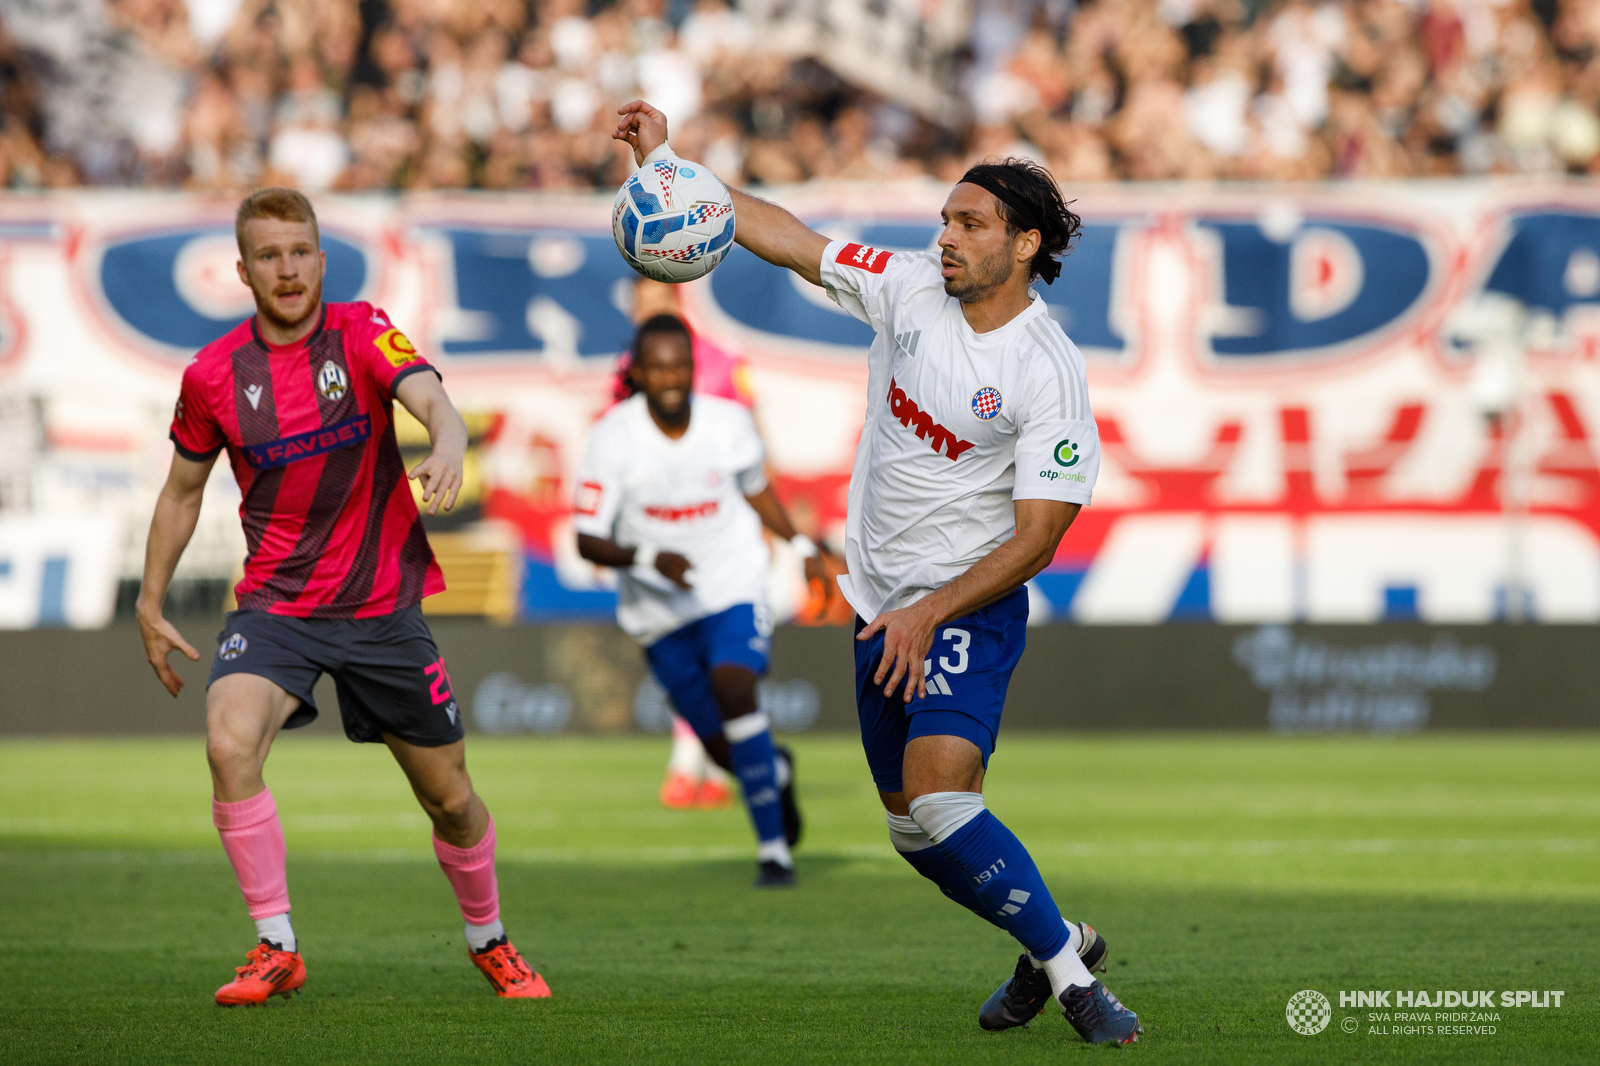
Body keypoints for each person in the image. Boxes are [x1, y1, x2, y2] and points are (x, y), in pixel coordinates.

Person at [612, 101, 1144, 1044]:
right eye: (944, 217)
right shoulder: (905, 287)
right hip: (877, 606)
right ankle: (1056, 938)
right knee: (913, 833)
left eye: (969, 224)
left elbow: (1039, 538)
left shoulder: (1046, 371)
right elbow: (785, 239)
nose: (944, 236)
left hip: (964, 608)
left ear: (1023, 245)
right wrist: (673, 172)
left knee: (944, 796)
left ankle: (1072, 985)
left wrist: (930, 613)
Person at [136, 187, 549, 1005]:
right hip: (276, 609)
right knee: (227, 743)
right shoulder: (213, 376)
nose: (287, 270)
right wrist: (151, 601)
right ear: (243, 270)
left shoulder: (359, 331)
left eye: (299, 253)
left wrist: (451, 439)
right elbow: (182, 492)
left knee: (452, 799)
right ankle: (275, 944)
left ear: (321, 260)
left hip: (382, 609)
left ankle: (490, 939)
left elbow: (428, 394)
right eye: (269, 256)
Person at [573, 312, 816, 887]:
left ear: (693, 368)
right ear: (638, 372)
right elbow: (587, 538)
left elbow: (757, 492)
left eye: (680, 365)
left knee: (736, 685)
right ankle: (775, 771)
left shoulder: (729, 425)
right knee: (722, 745)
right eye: (658, 368)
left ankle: (774, 853)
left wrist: (802, 544)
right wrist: (648, 560)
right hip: (658, 613)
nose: (672, 378)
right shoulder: (612, 437)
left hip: (732, 585)